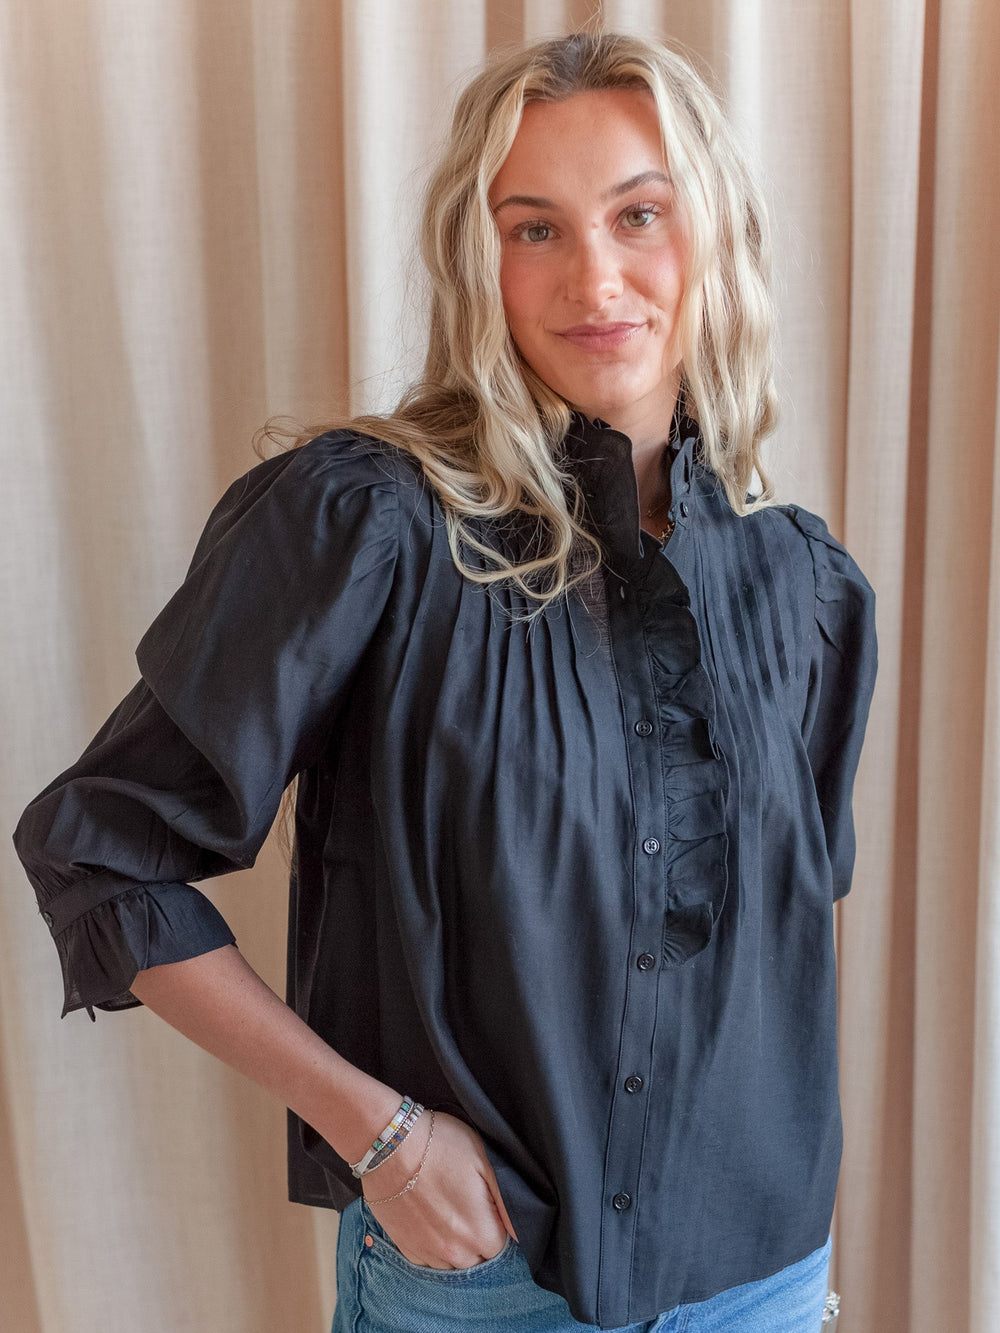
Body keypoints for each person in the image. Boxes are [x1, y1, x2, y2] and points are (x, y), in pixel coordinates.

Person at [13, 30, 875, 1333]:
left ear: (718, 235)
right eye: (535, 229)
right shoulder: (368, 525)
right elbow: (100, 854)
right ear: (481, 262)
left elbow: (778, 935)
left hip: (765, 1276)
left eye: (639, 214)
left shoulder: (807, 584)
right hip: (484, 1289)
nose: (595, 277)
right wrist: (381, 1135)